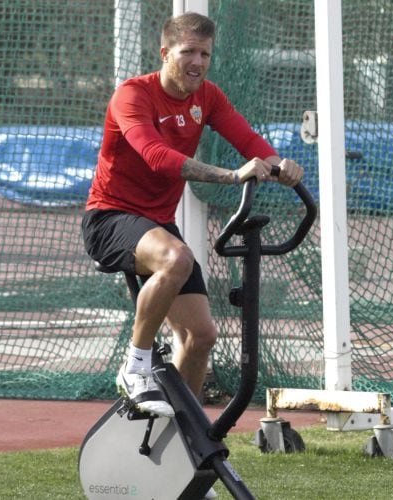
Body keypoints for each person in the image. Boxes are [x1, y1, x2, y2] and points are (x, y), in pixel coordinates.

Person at [81, 12, 304, 419]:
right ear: (166, 53)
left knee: (201, 336)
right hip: (110, 217)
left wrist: (278, 164)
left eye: (205, 53)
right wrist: (232, 175)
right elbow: (157, 157)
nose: (197, 62)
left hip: (156, 225)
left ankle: (183, 443)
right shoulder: (132, 96)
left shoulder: (208, 97)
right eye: (188, 52)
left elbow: (247, 138)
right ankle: (135, 366)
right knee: (177, 258)